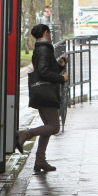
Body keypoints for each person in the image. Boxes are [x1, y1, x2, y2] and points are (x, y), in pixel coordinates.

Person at [17, 24, 68, 172]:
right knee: (54, 127)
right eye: (50, 33)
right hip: (46, 94)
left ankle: (40, 160)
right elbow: (43, 71)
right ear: (46, 33)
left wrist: (61, 64)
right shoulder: (44, 49)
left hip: (42, 93)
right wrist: (61, 78)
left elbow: (47, 69)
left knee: (46, 128)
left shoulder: (41, 49)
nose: (51, 36)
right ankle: (25, 134)